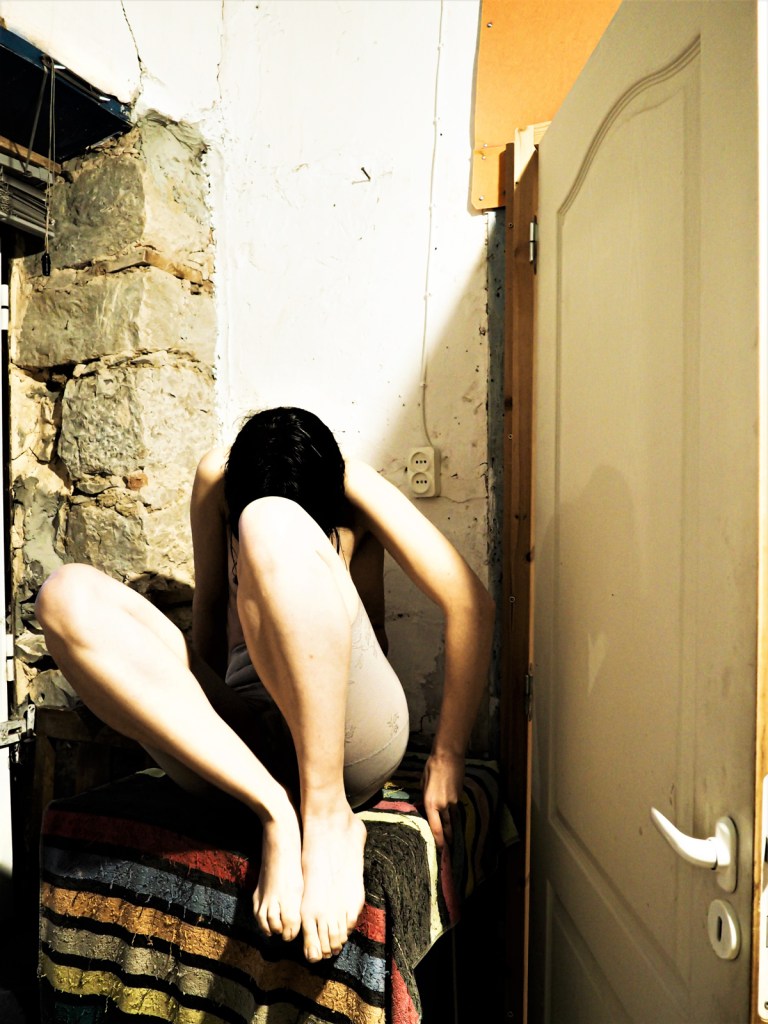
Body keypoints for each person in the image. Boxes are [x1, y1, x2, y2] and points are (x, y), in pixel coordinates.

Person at [35, 407, 494, 964]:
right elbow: (208, 612)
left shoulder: (352, 482)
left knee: (269, 520)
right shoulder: (218, 478)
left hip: (348, 733)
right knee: (66, 595)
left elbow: (468, 603)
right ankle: (276, 810)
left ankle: (328, 818)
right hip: (252, 743)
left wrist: (448, 753)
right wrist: (199, 718)